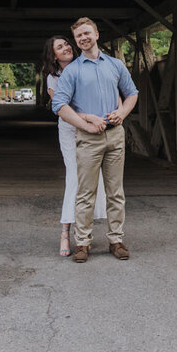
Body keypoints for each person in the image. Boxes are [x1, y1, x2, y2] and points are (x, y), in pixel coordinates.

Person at [51, 17, 138, 263]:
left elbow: (132, 94)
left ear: (97, 35)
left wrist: (121, 113)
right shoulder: (72, 70)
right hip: (88, 139)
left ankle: (116, 240)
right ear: (77, 41)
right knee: (85, 193)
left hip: (115, 135)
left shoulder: (115, 65)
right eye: (79, 36)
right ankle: (83, 244)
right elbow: (59, 105)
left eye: (87, 33)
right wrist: (85, 124)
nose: (83, 38)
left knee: (115, 191)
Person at [40, 35, 108, 257]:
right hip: (71, 128)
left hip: (92, 127)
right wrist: (87, 116)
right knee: (75, 177)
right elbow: (62, 108)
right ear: (54, 55)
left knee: (94, 177)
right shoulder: (53, 78)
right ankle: (65, 231)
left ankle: (84, 234)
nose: (66, 47)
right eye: (60, 47)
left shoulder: (85, 67)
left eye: (67, 43)